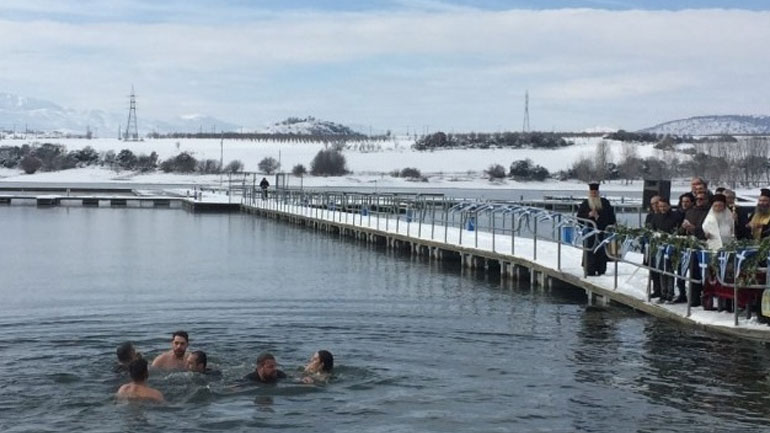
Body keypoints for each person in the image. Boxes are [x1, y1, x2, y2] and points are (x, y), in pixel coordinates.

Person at [576, 182, 617, 276]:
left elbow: (611, 218)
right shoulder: (585, 203)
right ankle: (589, 269)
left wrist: (598, 217)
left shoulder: (605, 203)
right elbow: (579, 218)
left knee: (601, 251)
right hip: (589, 233)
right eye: (592, 192)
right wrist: (588, 215)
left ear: (598, 192)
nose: (594, 194)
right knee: (589, 250)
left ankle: (601, 269)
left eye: (595, 192)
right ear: (589, 193)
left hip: (602, 231)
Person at [650, 198, 684, 303]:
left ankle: (670, 293)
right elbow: (653, 230)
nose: (662, 208)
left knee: (669, 270)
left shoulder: (675, 216)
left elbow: (679, 231)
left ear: (669, 206)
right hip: (660, 247)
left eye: (664, 206)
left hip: (671, 246)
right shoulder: (656, 216)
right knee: (661, 270)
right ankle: (663, 293)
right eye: (660, 206)